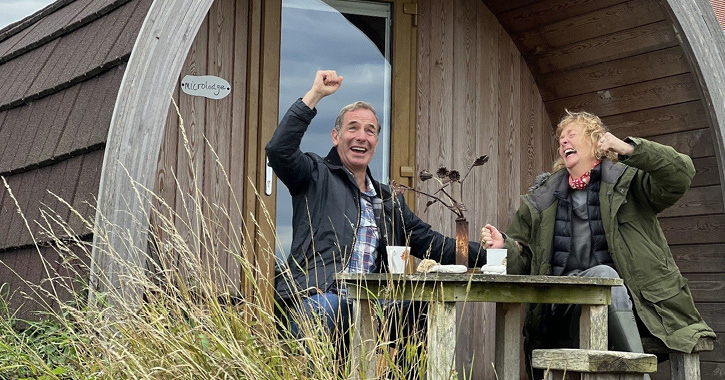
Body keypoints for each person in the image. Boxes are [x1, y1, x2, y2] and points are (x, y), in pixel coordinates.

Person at [266, 70, 485, 365]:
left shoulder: (388, 199)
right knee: (331, 309)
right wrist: (314, 95)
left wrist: (491, 251)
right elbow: (279, 150)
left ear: (376, 142)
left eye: (370, 131)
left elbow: (434, 244)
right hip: (319, 298)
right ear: (336, 136)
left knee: (420, 309)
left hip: (374, 303)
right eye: (353, 128)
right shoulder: (315, 175)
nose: (361, 137)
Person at [481, 110, 716, 377]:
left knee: (606, 279)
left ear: (596, 141)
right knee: (603, 277)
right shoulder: (541, 200)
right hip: (564, 311)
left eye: (572, 135)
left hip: (638, 310)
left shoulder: (628, 182)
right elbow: (523, 262)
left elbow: (680, 174)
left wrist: (628, 148)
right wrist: (504, 247)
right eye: (560, 139)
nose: (564, 142)